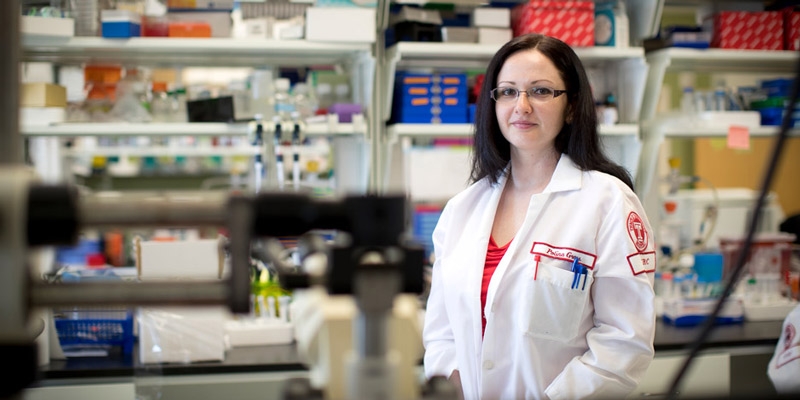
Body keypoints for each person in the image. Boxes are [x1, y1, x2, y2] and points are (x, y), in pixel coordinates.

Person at [422, 33, 657, 399]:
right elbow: (441, 333)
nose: (522, 106)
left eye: (542, 91)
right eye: (508, 91)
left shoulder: (608, 202)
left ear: (572, 105)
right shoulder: (461, 210)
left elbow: (624, 342)